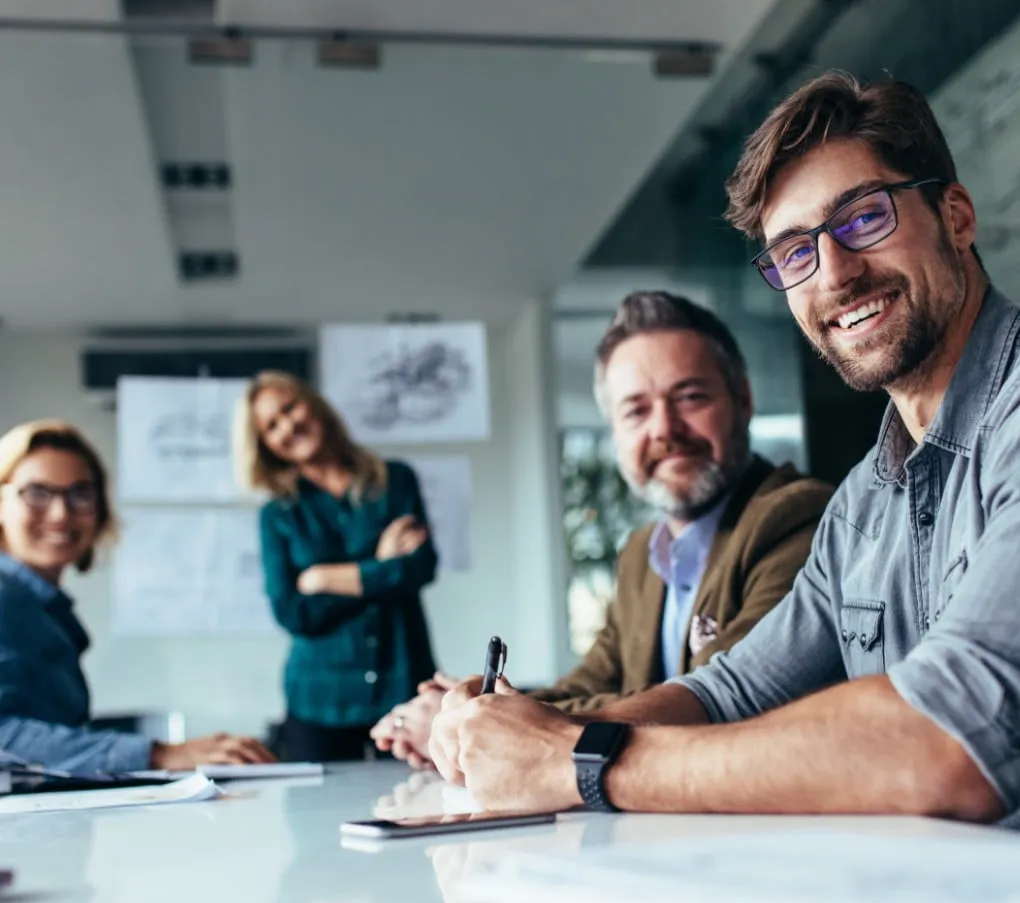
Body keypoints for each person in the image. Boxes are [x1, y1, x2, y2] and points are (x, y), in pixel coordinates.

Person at [428, 71, 1020, 825]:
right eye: (794, 253)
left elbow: (947, 745)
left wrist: (581, 763)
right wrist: (532, 738)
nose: (833, 273)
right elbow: (728, 692)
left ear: (957, 215)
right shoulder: (864, 504)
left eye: (864, 218)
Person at [372, 293, 832, 767]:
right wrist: (478, 710)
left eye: (690, 397)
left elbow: (718, 697)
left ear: (743, 400)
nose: (664, 429)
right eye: (636, 410)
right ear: (615, 430)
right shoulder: (641, 554)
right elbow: (593, 682)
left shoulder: (794, 518)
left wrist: (482, 722)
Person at [0, 419, 275, 774]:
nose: (61, 513)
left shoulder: (43, 606)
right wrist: (158, 754)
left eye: (80, 493)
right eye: (37, 492)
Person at [236, 370, 438, 762]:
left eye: (289, 407)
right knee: (315, 819)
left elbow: (420, 568)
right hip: (319, 702)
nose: (288, 425)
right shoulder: (278, 514)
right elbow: (293, 612)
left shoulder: (395, 481)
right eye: (271, 426)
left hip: (403, 685)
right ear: (265, 446)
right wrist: (379, 564)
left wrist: (325, 577)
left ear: (312, 404)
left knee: (418, 808)